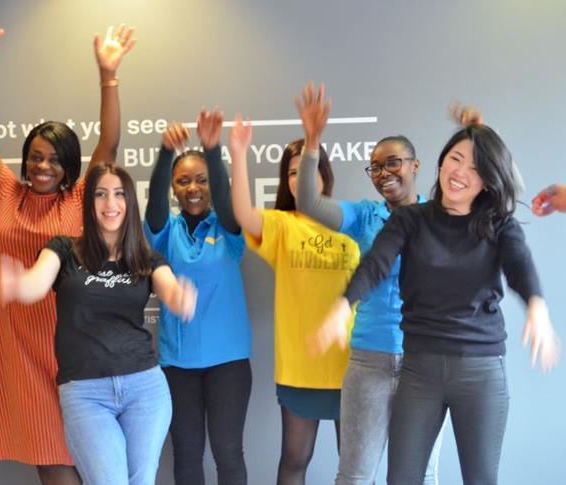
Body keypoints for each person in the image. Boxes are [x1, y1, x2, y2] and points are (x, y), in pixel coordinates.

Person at [312, 123, 561, 484]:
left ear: (488, 180)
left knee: (480, 479)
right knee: (404, 479)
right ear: (441, 162)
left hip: (480, 372)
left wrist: (536, 307)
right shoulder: (410, 219)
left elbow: (519, 265)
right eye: (455, 159)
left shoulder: (498, 224)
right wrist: (342, 306)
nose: (460, 172)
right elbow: (376, 263)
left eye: (475, 168)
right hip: (420, 371)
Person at [0, 9, 135, 484]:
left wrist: (109, 77)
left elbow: (110, 144)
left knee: (93, 463)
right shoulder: (6, 193)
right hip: (19, 348)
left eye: (55, 159)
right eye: (36, 156)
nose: (43, 166)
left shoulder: (81, 198)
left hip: (75, 347)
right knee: (51, 462)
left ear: (70, 165)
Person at [0, 163, 197, 485]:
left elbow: (170, 291)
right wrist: (19, 285)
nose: (110, 204)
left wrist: (182, 299)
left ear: (130, 203)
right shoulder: (63, 249)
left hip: (144, 388)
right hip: (86, 392)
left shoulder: (144, 257)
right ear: (88, 203)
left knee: (141, 480)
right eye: (101, 195)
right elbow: (36, 283)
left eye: (119, 195)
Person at [293, 83, 443, 485]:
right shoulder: (363, 216)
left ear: (415, 165)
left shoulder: (440, 219)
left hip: (425, 362)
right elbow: (308, 202)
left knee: (419, 475)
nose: (383, 173)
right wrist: (311, 142)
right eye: (375, 167)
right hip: (368, 362)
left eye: (392, 163)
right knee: (355, 475)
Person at [228, 114, 359, 485]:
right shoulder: (283, 225)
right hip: (301, 369)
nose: (299, 177)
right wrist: (238, 153)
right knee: (294, 460)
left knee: (354, 468)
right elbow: (242, 213)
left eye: (307, 167)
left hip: (354, 367)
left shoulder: (350, 221)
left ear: (323, 172)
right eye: (290, 172)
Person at [143, 108, 251, 485]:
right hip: (178, 363)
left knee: (228, 454)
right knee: (187, 457)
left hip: (229, 363)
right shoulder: (163, 232)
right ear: (173, 187)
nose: (193, 188)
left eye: (201, 180)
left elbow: (224, 196)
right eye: (183, 181)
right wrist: (164, 153)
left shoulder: (229, 229)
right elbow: (153, 204)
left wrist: (211, 148)